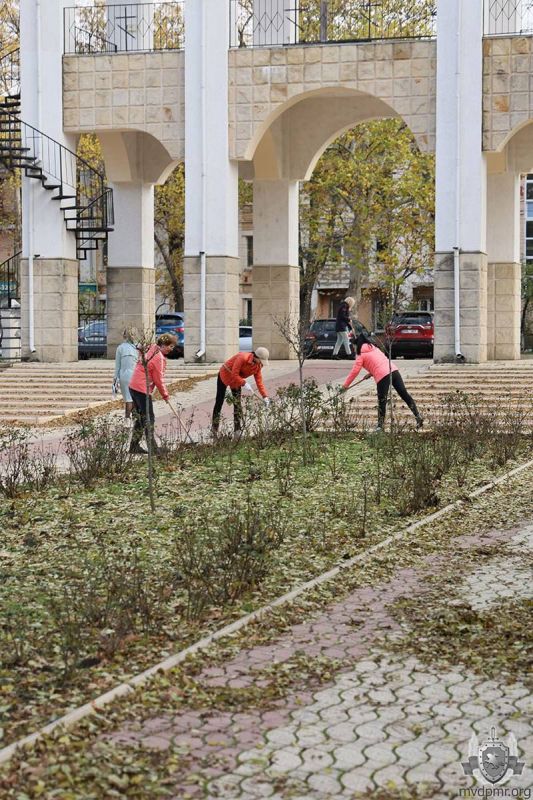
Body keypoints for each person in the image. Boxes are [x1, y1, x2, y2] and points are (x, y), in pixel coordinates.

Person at [342, 333, 423, 431]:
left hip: (382, 376)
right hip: (393, 370)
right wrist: (371, 373)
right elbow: (380, 361)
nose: (354, 349)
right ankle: (418, 416)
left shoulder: (360, 354)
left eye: (354, 346)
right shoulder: (374, 348)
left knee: (382, 401)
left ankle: (380, 426)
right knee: (404, 394)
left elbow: (354, 371)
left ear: (356, 345)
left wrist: (345, 385)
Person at [128, 333, 177, 454]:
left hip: (133, 386)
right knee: (149, 417)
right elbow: (158, 379)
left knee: (141, 418)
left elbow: (140, 349)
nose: (172, 349)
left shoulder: (151, 347)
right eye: (171, 346)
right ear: (164, 345)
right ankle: (153, 448)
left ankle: (134, 446)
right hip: (141, 388)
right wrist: (165, 395)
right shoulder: (158, 357)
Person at [212, 347, 270, 437]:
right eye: (261, 360)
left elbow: (259, 381)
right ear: (256, 357)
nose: (261, 363)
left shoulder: (258, 365)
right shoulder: (242, 358)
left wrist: (264, 396)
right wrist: (244, 383)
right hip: (225, 374)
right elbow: (234, 373)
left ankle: (237, 431)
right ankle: (214, 429)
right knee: (219, 401)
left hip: (236, 380)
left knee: (237, 403)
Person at [114, 329, 138, 419]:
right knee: (135, 398)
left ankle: (127, 419)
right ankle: (136, 418)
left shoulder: (120, 348)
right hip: (135, 374)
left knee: (128, 399)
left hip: (124, 375)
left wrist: (115, 379)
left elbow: (117, 365)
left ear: (124, 336)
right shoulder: (137, 347)